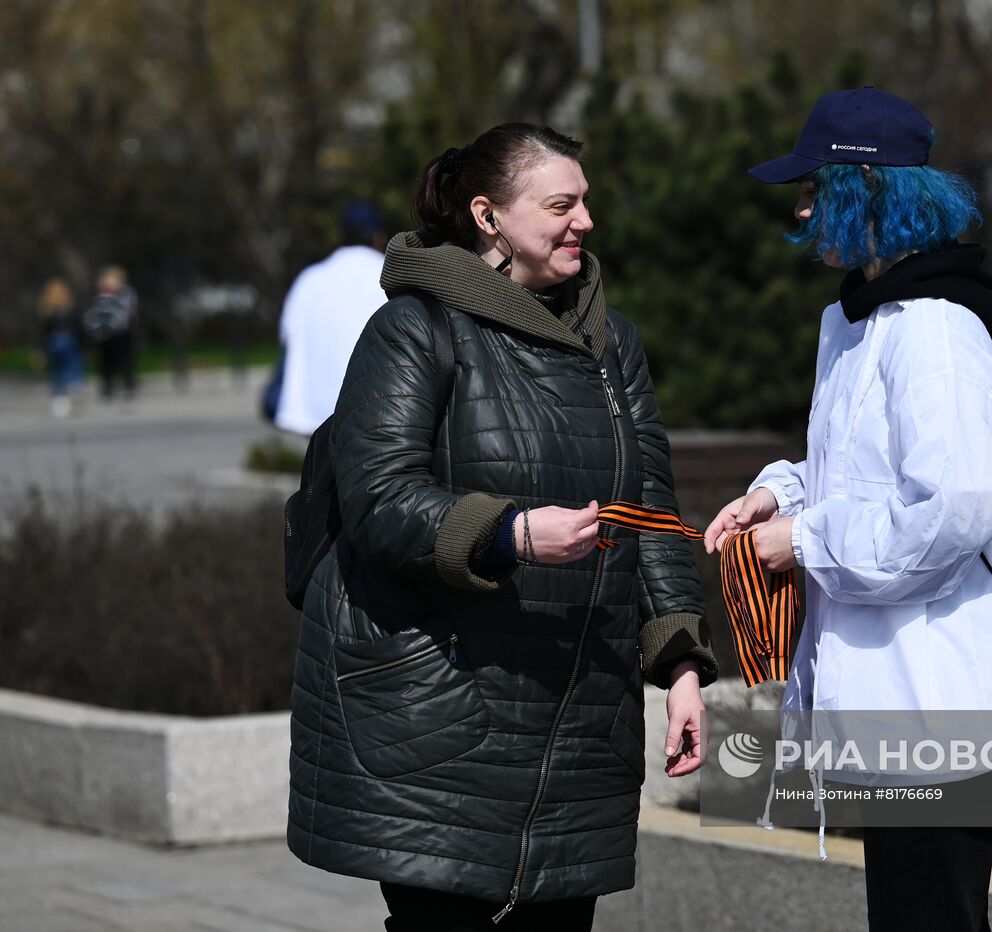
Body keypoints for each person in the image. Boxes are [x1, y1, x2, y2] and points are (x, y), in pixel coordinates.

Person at [287, 124, 716, 932]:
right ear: (489, 217)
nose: (585, 220)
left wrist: (682, 665)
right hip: (438, 719)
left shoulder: (612, 342)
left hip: (579, 718)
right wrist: (511, 535)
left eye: (586, 200)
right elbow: (379, 500)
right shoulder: (414, 329)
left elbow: (650, 511)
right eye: (561, 204)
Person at [705, 87, 992, 932]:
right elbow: (856, 466)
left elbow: (954, 508)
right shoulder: (862, 319)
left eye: (816, 189)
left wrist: (805, 538)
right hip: (899, 696)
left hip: (940, 702)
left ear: (866, 195)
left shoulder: (932, 330)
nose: (801, 208)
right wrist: (777, 494)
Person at [272, 200, 389, 434]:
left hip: (312, 413)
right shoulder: (388, 275)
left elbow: (286, 336)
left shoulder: (309, 278)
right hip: (373, 410)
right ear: (378, 236)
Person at [83, 265, 138, 401]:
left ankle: (128, 388)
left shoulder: (126, 294)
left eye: (112, 279)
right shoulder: (100, 296)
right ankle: (107, 391)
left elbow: (127, 312)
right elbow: (92, 315)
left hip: (122, 334)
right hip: (104, 335)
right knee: (106, 364)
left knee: (125, 362)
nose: (109, 281)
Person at [36, 277, 85, 417]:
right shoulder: (47, 312)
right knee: (58, 371)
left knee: (72, 357)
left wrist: (84, 345)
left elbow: (79, 329)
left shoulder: (73, 309)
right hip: (55, 345)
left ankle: (74, 383)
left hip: (71, 344)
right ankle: (66, 390)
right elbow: (42, 333)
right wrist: (40, 351)